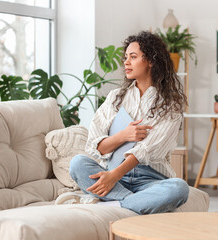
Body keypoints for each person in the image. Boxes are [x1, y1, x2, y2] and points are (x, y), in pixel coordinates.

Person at [55, 31, 189, 215]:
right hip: (114, 176)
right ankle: (133, 203)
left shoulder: (170, 104)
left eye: (133, 57)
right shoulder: (115, 97)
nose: (126, 62)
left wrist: (113, 176)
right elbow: (95, 145)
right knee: (78, 163)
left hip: (150, 179)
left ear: (150, 60)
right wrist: (123, 136)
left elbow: (149, 149)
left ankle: (114, 204)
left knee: (179, 188)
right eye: (125, 57)